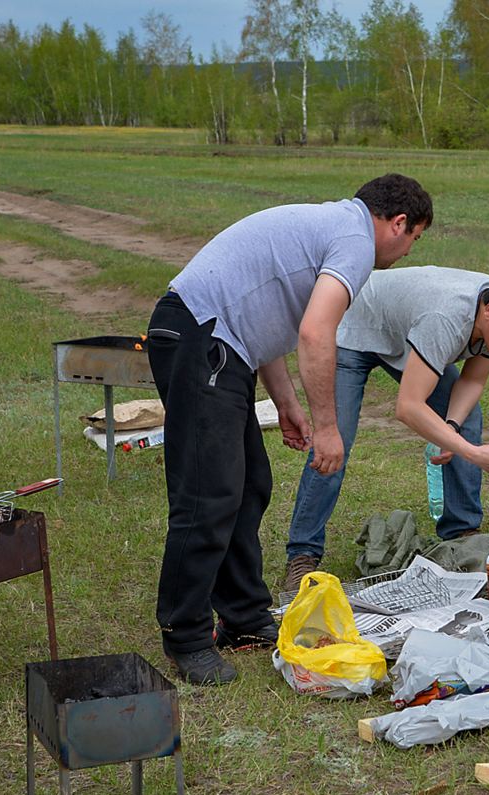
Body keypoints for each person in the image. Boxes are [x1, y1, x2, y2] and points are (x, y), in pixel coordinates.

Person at [147, 174, 433, 684]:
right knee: (207, 494)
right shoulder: (354, 243)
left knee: (250, 484)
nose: (411, 250)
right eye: (415, 237)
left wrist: (285, 403)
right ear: (399, 223)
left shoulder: (336, 228)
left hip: (221, 341)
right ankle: (185, 635)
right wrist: (327, 427)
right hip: (198, 334)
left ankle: (243, 616)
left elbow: (265, 318)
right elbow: (314, 332)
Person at [282, 268, 489, 593]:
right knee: (334, 442)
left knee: (465, 420)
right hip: (353, 330)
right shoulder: (447, 319)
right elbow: (408, 407)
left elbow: (472, 381)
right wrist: (471, 452)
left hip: (405, 331)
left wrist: (451, 429)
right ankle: (302, 553)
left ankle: (461, 537)